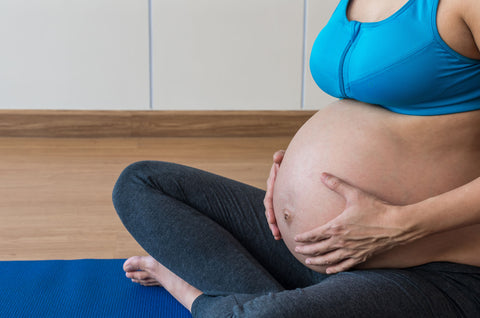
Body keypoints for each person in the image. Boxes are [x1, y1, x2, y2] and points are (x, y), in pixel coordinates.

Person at [112, 0, 480, 316]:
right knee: (141, 183)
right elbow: (382, 106)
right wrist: (295, 170)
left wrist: (399, 223)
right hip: (324, 250)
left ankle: (195, 294)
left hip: (433, 270)